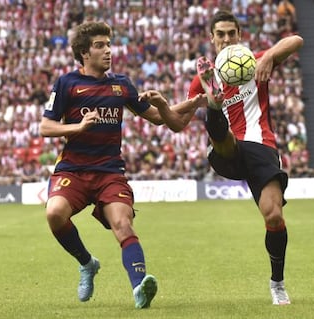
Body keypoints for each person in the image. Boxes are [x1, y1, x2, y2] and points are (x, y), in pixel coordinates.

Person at [39, 21, 207, 308]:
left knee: (122, 223)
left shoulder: (121, 85)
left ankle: (139, 288)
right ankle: (87, 263)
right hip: (74, 170)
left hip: (109, 173)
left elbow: (157, 117)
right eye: (100, 46)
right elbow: (45, 127)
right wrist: (77, 128)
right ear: (83, 52)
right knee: (54, 213)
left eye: (108, 44)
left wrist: (191, 103)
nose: (108, 51)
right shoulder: (67, 83)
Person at [188, 10, 304, 305]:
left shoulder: (255, 61)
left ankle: (277, 283)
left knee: (274, 216)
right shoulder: (200, 77)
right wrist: (163, 109)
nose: (227, 39)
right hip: (226, 147)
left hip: (261, 145)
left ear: (239, 35)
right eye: (221, 34)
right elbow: (179, 121)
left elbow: (296, 40)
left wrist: (268, 58)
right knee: (222, 133)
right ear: (212, 39)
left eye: (231, 33)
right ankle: (215, 103)